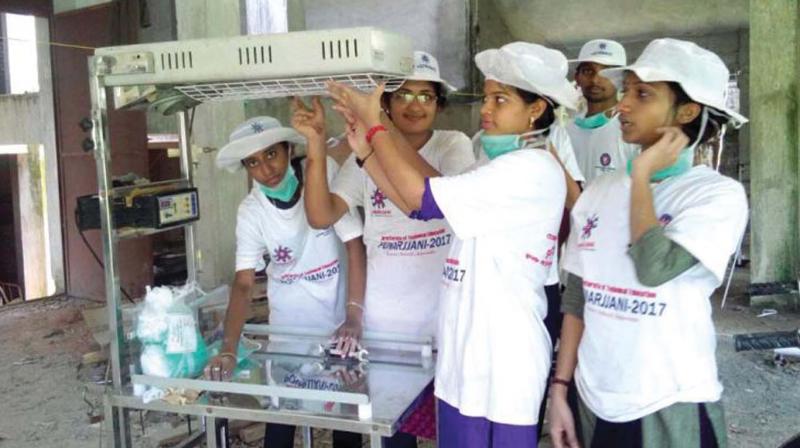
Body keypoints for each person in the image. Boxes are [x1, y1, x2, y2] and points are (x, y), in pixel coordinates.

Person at [326, 41, 580, 448]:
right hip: (467, 351)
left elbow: (419, 198)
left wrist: (376, 128)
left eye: (501, 99)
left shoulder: (530, 169)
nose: (486, 109)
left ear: (536, 109)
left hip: (503, 360)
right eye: (487, 97)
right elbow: (431, 203)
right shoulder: (495, 164)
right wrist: (365, 155)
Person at [548, 38, 749, 448]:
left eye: (643, 95)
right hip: (593, 396)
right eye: (627, 92)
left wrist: (640, 178)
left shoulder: (714, 196)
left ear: (688, 111)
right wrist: (560, 388)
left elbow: (653, 267)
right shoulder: (599, 192)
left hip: (666, 402)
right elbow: (578, 300)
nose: (623, 105)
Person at [297, 51, 475, 446]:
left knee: (454, 432)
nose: (415, 105)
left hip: (444, 324)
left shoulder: (452, 145)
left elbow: (446, 199)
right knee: (396, 436)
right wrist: (315, 145)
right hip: (386, 332)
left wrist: (379, 134)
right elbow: (321, 216)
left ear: (439, 104)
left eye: (426, 96)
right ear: (388, 104)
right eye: (404, 95)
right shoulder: (365, 155)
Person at [205, 116, 366, 448]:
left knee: (345, 422)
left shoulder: (321, 178)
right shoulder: (251, 211)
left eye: (271, 154)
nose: (266, 168)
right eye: (253, 162)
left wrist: (353, 314)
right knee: (281, 421)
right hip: (287, 330)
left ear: (288, 149)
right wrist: (228, 349)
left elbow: (354, 244)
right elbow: (244, 283)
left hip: (338, 328)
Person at [566, 39, 639, 185]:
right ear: (577, 78)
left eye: (607, 72)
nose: (595, 80)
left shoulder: (632, 130)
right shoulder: (566, 131)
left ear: (622, 80)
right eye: (588, 71)